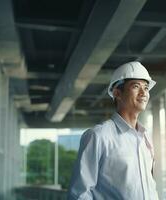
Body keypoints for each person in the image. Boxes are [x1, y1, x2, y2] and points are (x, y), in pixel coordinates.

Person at [68, 61, 159, 199]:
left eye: (146, 88)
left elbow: (149, 188)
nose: (143, 93)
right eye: (136, 86)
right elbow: (79, 194)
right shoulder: (98, 136)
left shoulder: (146, 138)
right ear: (117, 93)